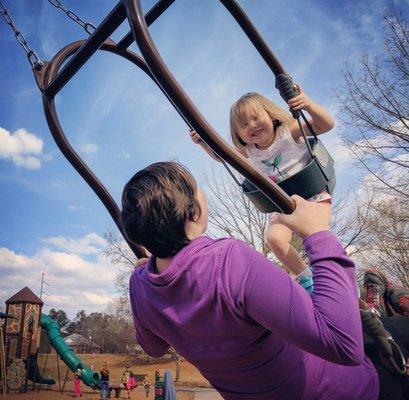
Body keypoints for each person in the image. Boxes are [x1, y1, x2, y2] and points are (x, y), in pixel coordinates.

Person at [122, 161, 409, 400]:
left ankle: (380, 305)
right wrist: (318, 234)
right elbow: (344, 345)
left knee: (374, 324)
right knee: (395, 328)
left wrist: (145, 273)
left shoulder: (141, 286)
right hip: (354, 389)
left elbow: (154, 347)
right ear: (194, 211)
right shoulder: (229, 261)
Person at [190, 88, 334, 293]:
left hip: (312, 194)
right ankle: (306, 277)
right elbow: (221, 155)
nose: (252, 126)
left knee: (317, 234)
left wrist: (307, 104)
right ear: (238, 134)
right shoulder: (248, 152)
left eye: (256, 118)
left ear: (270, 114)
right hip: (283, 203)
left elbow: (326, 124)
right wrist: (204, 142)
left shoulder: (289, 131)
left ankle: (334, 272)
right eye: (244, 125)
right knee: (274, 240)